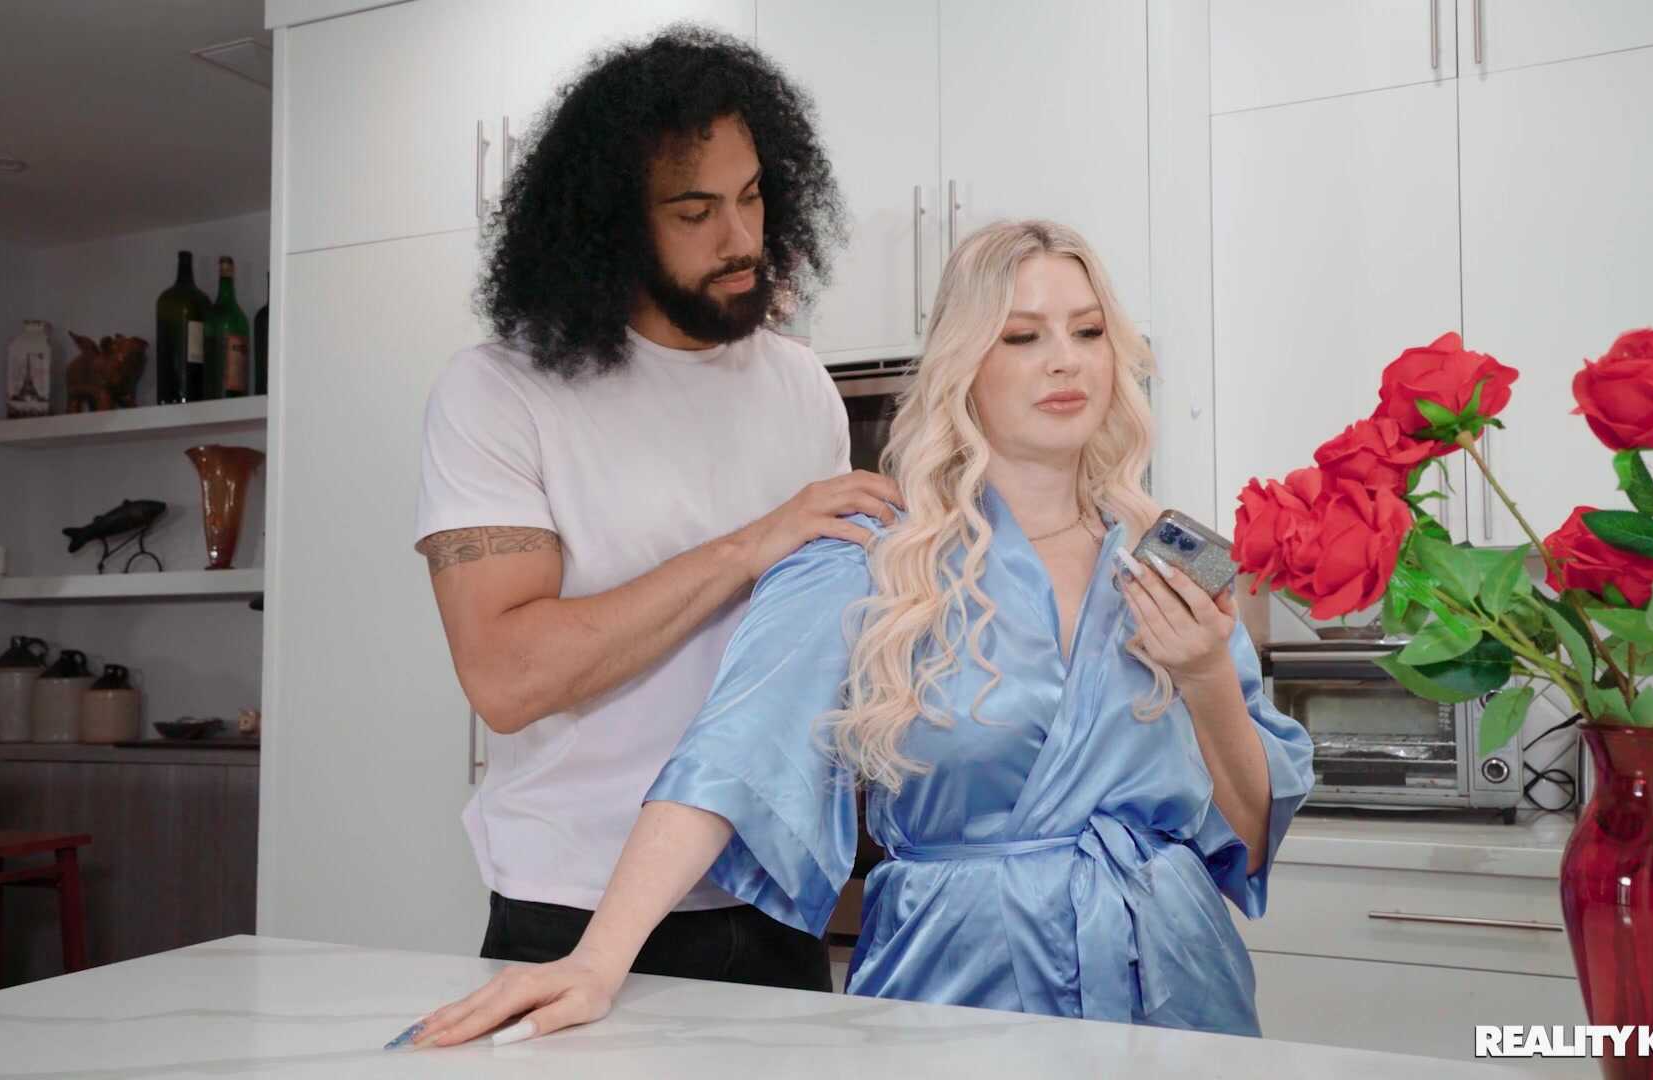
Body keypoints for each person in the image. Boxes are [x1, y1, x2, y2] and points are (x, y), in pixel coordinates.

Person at [408, 221, 1316, 1049]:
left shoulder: (1174, 558)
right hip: (958, 997)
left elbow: (1247, 839)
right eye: (1022, 336)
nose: (1064, 362)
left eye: (1088, 332)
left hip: (1175, 994)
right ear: (964, 363)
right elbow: (729, 761)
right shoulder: (875, 558)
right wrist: (597, 961)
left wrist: (1206, 673)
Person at [410, 26, 900, 996]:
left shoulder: (799, 385)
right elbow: (506, 677)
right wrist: (750, 546)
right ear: (611, 226)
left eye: (752, 195)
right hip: (572, 904)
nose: (742, 239)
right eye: (695, 211)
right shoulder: (499, 391)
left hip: (773, 897)